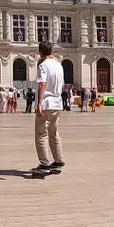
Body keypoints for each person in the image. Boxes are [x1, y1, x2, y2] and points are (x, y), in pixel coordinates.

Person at [34, 41, 65, 170]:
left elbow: (42, 84)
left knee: (41, 134)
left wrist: (40, 103)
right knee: (54, 133)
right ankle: (58, 160)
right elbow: (62, 84)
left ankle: (44, 163)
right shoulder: (59, 65)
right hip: (57, 104)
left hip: (46, 104)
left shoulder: (43, 65)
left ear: (40, 53)